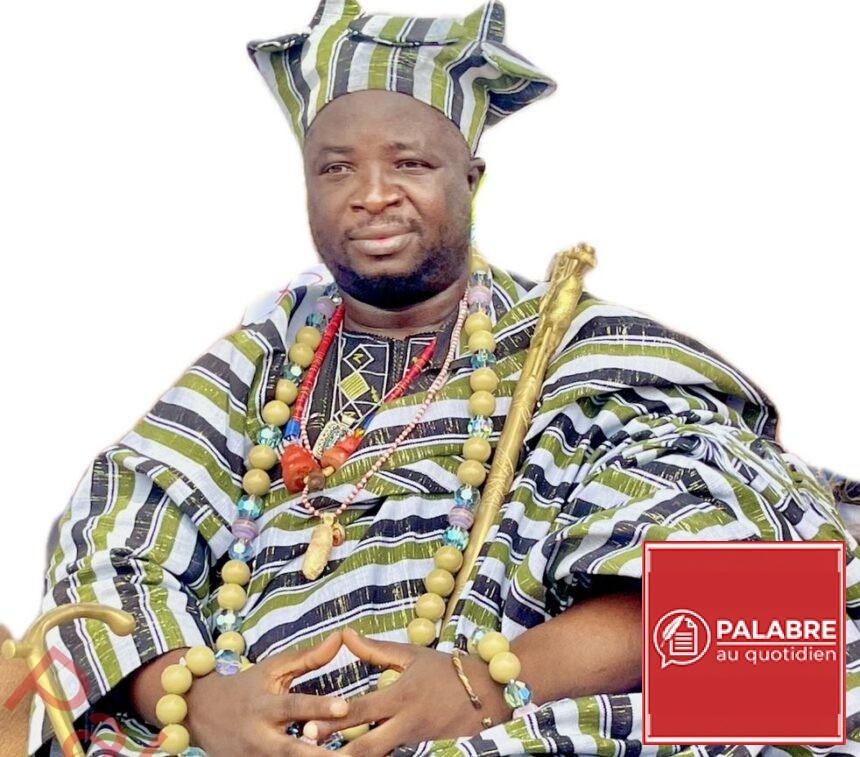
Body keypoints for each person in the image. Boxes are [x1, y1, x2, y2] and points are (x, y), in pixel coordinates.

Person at [26, 1, 859, 755]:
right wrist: (204, 703)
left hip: (511, 725)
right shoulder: (260, 361)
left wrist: (480, 686)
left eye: (412, 163)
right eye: (336, 168)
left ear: (470, 178)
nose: (372, 195)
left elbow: (749, 591)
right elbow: (111, 548)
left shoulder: (581, 353)